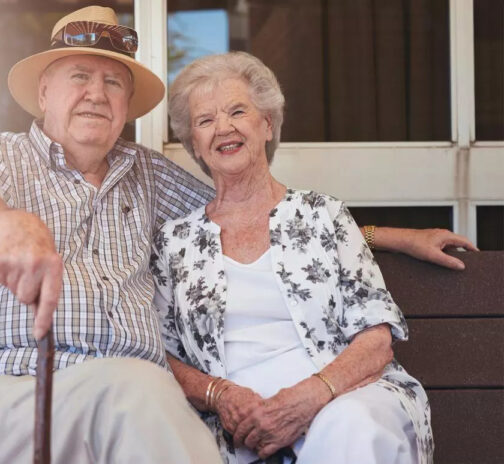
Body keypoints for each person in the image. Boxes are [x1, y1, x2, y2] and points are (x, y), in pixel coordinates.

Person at [0, 6, 474, 463]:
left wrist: (394, 235)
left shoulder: (146, 175)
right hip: (10, 388)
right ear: (44, 90)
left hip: (133, 406)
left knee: (153, 406)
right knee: (140, 394)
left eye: (113, 81)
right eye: (80, 77)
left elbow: (260, 213)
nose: (96, 93)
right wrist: (11, 227)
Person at [150, 51, 470, 464]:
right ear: (194, 142)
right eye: (205, 120)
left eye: (237, 111)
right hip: (232, 425)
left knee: (349, 428)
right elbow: (163, 354)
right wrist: (219, 395)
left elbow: (376, 340)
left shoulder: (323, 214)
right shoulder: (176, 241)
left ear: (267, 124)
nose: (223, 128)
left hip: (343, 398)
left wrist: (307, 399)